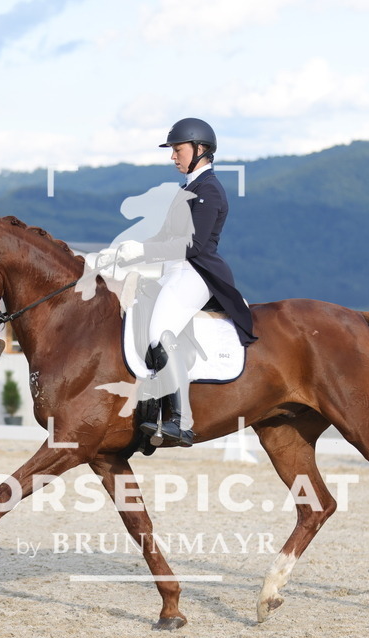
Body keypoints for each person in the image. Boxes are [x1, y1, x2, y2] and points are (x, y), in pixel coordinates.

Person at [115, 118, 257, 447]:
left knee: (158, 333)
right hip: (173, 270)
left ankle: (182, 420)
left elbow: (193, 246)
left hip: (197, 273)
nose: (173, 156)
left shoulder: (209, 190)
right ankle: (150, 410)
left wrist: (144, 250)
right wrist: (129, 253)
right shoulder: (188, 190)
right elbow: (166, 237)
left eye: (178, 150)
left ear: (200, 149)